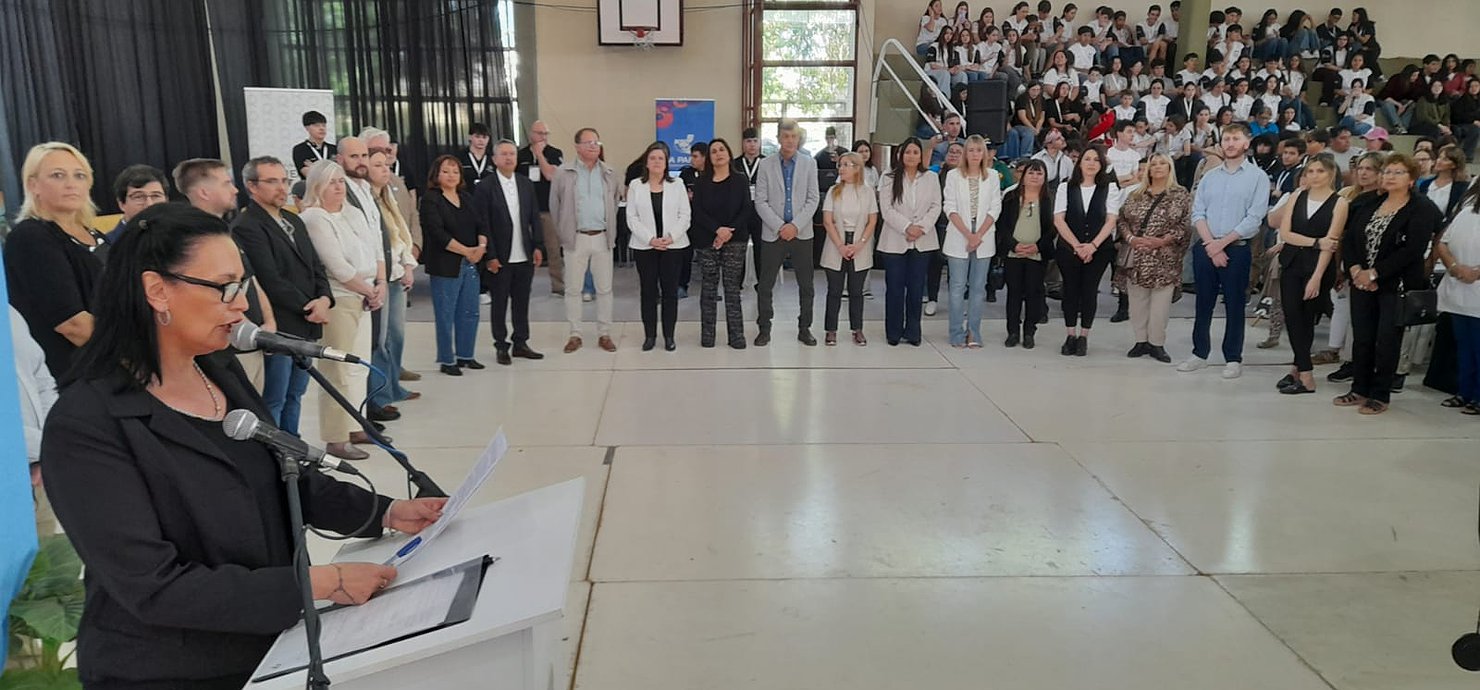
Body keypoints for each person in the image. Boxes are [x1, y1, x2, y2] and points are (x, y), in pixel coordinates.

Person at [40, 202, 445, 688]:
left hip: (269, 647)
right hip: (166, 670)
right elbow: (153, 585)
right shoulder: (87, 424)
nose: (241, 305)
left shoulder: (219, 370)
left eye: (243, 286)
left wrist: (388, 511)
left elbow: (283, 474)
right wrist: (321, 583)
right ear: (156, 290)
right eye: (225, 287)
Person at [230, 157, 333, 435]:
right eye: (272, 181)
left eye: (285, 180)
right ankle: (276, 453)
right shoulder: (246, 226)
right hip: (281, 324)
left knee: (295, 394)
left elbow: (316, 266)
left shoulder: (293, 219)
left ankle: (294, 449)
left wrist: (324, 299)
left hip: (308, 323)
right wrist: (309, 306)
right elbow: (269, 279)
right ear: (252, 186)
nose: (282, 188)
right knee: (274, 398)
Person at [1335, 153, 1441, 414]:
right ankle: (1359, 388)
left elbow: (1412, 250)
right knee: (1362, 337)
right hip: (1361, 281)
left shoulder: (1421, 207)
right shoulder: (1369, 201)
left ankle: (1380, 394)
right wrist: (1355, 269)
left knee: (1387, 340)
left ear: (1412, 179)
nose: (1390, 177)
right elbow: (1350, 239)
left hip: (1396, 284)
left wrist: (1374, 274)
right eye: (1387, 172)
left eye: (1398, 172)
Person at [299, 161, 384, 460]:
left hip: (366, 292)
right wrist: (368, 290)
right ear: (317, 186)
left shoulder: (353, 212)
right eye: (331, 182)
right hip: (341, 297)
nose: (338, 187)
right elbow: (336, 265)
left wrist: (380, 284)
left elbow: (376, 249)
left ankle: (356, 425)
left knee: (359, 366)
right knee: (337, 371)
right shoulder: (314, 217)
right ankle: (336, 438)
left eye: (340, 181)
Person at [5, 143, 107, 378]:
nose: (71, 184)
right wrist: (136, 357)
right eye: (57, 175)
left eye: (79, 175)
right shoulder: (31, 237)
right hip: (76, 375)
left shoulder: (94, 234)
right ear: (33, 185)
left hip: (110, 363)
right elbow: (72, 325)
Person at [1176, 122, 1269, 377]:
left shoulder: (1257, 177)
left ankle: (1233, 357)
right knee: (1202, 303)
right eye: (1226, 139)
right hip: (1206, 246)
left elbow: (1254, 218)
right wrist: (1211, 245)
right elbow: (1198, 212)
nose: (1230, 143)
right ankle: (1199, 353)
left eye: (1236, 139)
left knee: (1235, 305)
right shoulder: (1210, 176)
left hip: (1237, 249)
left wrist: (1222, 244)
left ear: (1246, 143)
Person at [1273, 155, 1348, 395]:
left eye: (1320, 171)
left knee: (1307, 319)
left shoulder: (1339, 203)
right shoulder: (1297, 196)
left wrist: (1316, 277)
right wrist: (1315, 242)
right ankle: (1302, 369)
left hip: (1318, 268)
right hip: (1292, 263)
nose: (1314, 176)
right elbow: (1286, 233)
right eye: (1311, 171)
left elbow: (1331, 244)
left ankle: (1303, 374)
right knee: (1293, 316)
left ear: (1331, 174)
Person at [472, 139, 546, 365]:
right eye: (503, 154)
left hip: (524, 254)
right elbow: (482, 224)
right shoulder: (485, 187)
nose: (508, 158)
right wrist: (490, 256)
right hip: (499, 257)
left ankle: (521, 342)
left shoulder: (525, 184)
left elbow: (535, 217)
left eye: (512, 154)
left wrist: (538, 245)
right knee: (499, 303)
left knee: (521, 302)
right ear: (494, 159)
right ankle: (501, 345)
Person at [551, 127, 621, 353]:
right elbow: (555, 206)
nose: (593, 146)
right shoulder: (563, 173)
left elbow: (614, 203)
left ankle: (604, 333)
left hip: (602, 237)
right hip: (575, 238)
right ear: (577, 146)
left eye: (596, 142)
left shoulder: (609, 172)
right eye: (588, 142)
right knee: (573, 289)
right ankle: (575, 334)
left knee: (604, 289)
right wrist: (564, 233)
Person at [1118, 152, 1192, 363]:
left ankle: (1157, 343)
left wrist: (1163, 240)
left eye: (1162, 163)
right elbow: (1122, 220)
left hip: (1164, 258)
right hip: (1137, 256)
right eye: (1153, 164)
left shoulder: (1180, 194)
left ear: (1170, 168)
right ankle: (1140, 341)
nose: (1158, 167)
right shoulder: (1136, 194)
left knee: (1160, 306)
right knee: (1137, 303)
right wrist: (1131, 239)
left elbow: (1185, 225)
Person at [754, 119, 822, 347]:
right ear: (778, 138)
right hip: (773, 233)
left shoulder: (809, 163)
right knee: (765, 285)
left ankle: (805, 328)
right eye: (785, 136)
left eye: (793, 136)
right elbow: (760, 201)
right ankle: (764, 328)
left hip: (801, 233)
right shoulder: (766, 165)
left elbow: (813, 198)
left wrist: (795, 226)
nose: (790, 141)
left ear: (798, 138)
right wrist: (780, 226)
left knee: (806, 285)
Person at [420, 155, 486, 376]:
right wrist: (467, 251)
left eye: (455, 172)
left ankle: (466, 355)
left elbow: (481, 224)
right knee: (446, 314)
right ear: (436, 174)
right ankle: (447, 360)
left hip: (471, 263)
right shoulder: (431, 199)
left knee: (470, 311)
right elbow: (437, 232)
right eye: (446, 171)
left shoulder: (466, 197)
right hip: (445, 265)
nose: (451, 176)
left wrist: (481, 247)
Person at [1052, 143, 1120, 357]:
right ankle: (1070, 334)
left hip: (1099, 249)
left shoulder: (1110, 188)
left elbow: (1111, 220)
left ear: (1102, 165)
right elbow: (1059, 219)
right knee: (1070, 290)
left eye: (1096, 160)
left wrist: (1092, 246)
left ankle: (1084, 336)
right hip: (1069, 248)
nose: (1091, 163)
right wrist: (1076, 245)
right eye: (1087, 159)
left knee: (1089, 291)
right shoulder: (1065, 187)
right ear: (1079, 162)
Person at [365, 148, 419, 413]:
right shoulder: (365, 199)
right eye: (378, 165)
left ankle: (394, 386)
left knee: (396, 336)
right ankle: (379, 395)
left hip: (398, 273)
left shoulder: (389, 195)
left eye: (387, 165)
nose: (385, 169)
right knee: (381, 340)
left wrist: (408, 265)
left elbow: (401, 235)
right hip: (382, 276)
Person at [626, 142, 692, 352]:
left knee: (670, 292)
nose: (656, 162)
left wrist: (671, 237)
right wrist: (651, 239)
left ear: (666, 163)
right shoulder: (636, 185)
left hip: (673, 246)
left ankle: (669, 336)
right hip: (645, 247)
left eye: (660, 158)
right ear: (646, 162)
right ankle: (650, 336)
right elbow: (631, 217)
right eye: (652, 158)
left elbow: (685, 215)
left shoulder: (677, 184)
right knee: (648, 291)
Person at [877, 138, 942, 347]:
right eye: (907, 152)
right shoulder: (889, 178)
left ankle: (913, 332)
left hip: (922, 240)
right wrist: (907, 227)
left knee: (916, 288)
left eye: (915, 152)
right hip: (895, 239)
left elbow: (936, 206)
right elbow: (886, 210)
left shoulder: (931, 177)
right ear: (900, 155)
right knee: (895, 288)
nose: (911, 156)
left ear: (921, 156)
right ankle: (893, 332)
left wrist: (920, 228)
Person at [941, 135, 1002, 348]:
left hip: (984, 235)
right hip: (960, 233)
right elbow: (949, 207)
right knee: (957, 287)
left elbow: (995, 207)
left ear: (984, 154)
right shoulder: (953, 176)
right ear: (965, 153)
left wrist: (978, 235)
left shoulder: (992, 176)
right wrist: (969, 234)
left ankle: (973, 332)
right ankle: (956, 332)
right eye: (971, 150)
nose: (975, 154)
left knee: (978, 288)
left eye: (979, 150)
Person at [691, 138, 752, 349]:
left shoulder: (740, 180)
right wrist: (717, 230)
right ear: (709, 157)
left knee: (732, 288)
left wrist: (727, 232)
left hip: (735, 239)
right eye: (714, 151)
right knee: (708, 288)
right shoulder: (701, 182)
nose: (718, 154)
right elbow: (698, 211)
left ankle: (736, 335)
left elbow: (746, 209)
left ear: (728, 153)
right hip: (707, 239)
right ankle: (708, 335)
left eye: (722, 149)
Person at [820, 152, 878, 346]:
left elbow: (872, 221)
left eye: (846, 165)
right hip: (836, 243)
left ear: (857, 168)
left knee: (856, 291)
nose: (841, 168)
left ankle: (857, 329)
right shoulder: (833, 191)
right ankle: (831, 330)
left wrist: (860, 243)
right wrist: (840, 245)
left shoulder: (867, 192)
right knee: (834, 290)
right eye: (841, 165)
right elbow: (827, 221)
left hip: (859, 244)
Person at [996, 159, 1055, 349]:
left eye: (1039, 173)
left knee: (1033, 293)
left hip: (1037, 254)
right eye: (1031, 172)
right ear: (1023, 175)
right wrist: (1014, 245)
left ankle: (1029, 331)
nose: (1035, 177)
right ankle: (1013, 331)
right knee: (1014, 293)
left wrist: (1038, 246)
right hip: (1014, 253)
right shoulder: (1011, 197)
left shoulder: (1049, 199)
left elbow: (1053, 228)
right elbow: (1002, 225)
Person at [12, 304, 58, 537]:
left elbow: (42, 381)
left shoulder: (8, 313)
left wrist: (48, 445)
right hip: (13, 471)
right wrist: (42, 447)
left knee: (49, 557)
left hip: (37, 476)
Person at [1435, 184, 1480, 414]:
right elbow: (1443, 243)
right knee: (1464, 347)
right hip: (1459, 291)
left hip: (1476, 288)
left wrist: (1476, 272)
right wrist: (1454, 266)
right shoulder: (1467, 211)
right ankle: (1464, 392)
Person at [519, 120, 566, 294]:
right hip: (525, 209)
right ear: (531, 134)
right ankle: (522, 285)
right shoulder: (521, 155)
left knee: (553, 248)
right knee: (524, 248)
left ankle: (558, 285)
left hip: (548, 208)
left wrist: (540, 155)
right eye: (540, 133)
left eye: (546, 133)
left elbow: (550, 175)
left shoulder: (554, 153)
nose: (543, 137)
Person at [925, 141, 964, 316]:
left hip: (959, 227)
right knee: (935, 264)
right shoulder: (937, 172)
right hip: (938, 224)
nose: (954, 155)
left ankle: (956, 302)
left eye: (958, 152)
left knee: (957, 268)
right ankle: (932, 299)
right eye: (951, 152)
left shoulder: (966, 176)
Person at [109, 165, 170, 241]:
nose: (149, 204)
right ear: (121, 204)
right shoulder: (109, 245)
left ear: (167, 201)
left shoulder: (179, 240)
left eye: (156, 196)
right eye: (139, 197)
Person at [290, 110, 337, 181]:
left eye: (324, 125)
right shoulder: (300, 149)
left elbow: (339, 173)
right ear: (307, 128)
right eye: (317, 125)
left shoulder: (334, 149)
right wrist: (330, 169)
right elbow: (309, 175)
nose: (322, 128)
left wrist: (314, 167)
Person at [1006, 82, 1045, 160]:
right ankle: (1025, 156)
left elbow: (1042, 117)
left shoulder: (1042, 99)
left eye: (1038, 90)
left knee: (1044, 132)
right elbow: (1022, 117)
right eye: (1033, 90)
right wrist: (1033, 129)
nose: (1035, 92)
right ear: (1028, 90)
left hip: (1036, 124)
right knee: (1028, 132)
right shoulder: (1022, 99)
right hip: (1020, 125)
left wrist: (1037, 128)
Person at [460, 122, 496, 187]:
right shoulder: (460, 156)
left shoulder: (493, 157)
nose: (481, 140)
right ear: (470, 137)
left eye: (484, 137)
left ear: (488, 139)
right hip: (466, 192)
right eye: (477, 137)